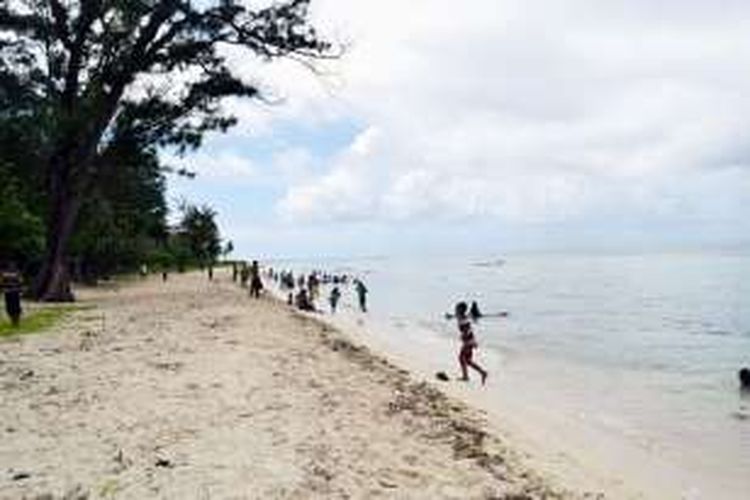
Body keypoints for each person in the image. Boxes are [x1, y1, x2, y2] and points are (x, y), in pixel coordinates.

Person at [455, 301, 488, 384]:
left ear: (460, 310)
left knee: (462, 358)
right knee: (467, 360)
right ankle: (482, 372)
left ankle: (467, 376)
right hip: (469, 341)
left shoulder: (463, 319)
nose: (455, 310)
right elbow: (467, 329)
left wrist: (467, 342)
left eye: (457, 308)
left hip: (468, 342)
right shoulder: (462, 318)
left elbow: (467, 331)